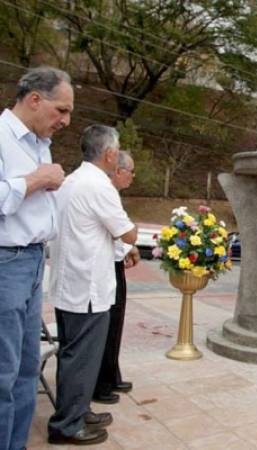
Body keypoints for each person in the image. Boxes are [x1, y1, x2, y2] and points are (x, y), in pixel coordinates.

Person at [47, 125, 137, 445]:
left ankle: (78, 409)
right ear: (109, 153)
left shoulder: (71, 181)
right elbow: (128, 234)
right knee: (81, 357)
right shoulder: (99, 186)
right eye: (118, 151)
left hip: (70, 283)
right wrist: (129, 231)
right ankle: (67, 424)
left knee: (74, 355)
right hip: (87, 287)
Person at [0, 66, 72, 450]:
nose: (65, 120)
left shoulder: (39, 143)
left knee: (28, 369)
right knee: (3, 373)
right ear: (34, 100)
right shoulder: (1, 137)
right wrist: (35, 181)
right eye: (61, 110)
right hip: (5, 262)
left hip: (30, 262)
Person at [93, 151, 140, 404]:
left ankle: (111, 375)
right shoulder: (102, 191)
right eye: (131, 171)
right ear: (119, 170)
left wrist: (127, 247)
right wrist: (129, 246)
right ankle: (101, 383)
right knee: (107, 325)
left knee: (116, 323)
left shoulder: (112, 193)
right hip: (103, 266)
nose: (133, 177)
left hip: (114, 263)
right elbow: (122, 232)